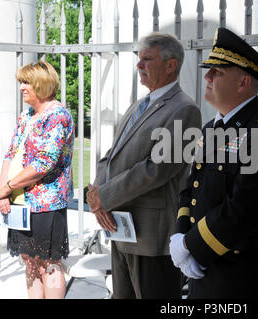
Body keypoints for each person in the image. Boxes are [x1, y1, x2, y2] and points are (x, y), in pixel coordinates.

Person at [169, 27, 258, 298]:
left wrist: (190, 244)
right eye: (209, 70)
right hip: (203, 270)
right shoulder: (211, 129)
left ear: (243, 83)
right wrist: (180, 236)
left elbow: (243, 210)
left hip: (241, 276)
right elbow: (190, 189)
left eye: (218, 72)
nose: (207, 77)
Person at [86, 33, 201, 299]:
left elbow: (156, 170)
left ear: (171, 65)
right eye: (139, 59)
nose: (139, 65)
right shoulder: (139, 105)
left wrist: (103, 196)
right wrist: (95, 194)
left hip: (152, 237)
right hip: (121, 228)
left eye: (147, 59)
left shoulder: (185, 109)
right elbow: (112, 155)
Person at [0, 60, 74, 299]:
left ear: (41, 83)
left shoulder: (58, 116)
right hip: (21, 202)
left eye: (26, 82)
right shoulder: (26, 116)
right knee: (29, 261)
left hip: (46, 205)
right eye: (21, 82)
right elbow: (10, 154)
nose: (21, 87)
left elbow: (42, 165)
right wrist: (2, 192)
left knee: (49, 264)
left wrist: (6, 188)